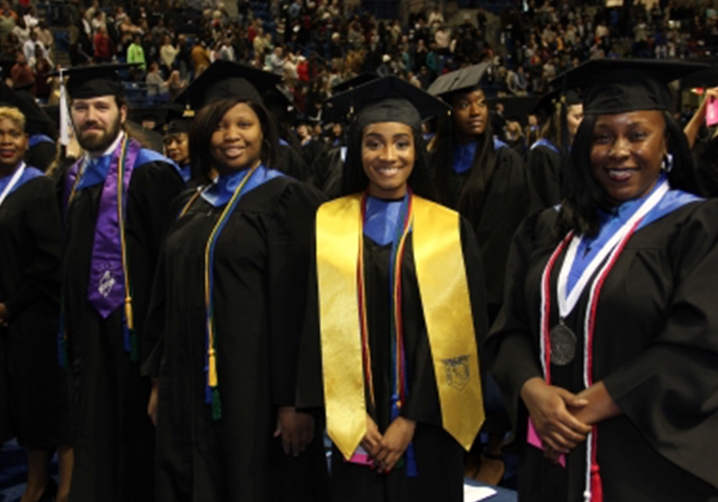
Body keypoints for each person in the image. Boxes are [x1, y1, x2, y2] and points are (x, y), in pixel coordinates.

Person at [486, 59, 718, 502]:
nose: (618, 151)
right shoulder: (547, 229)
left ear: (666, 140)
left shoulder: (699, 227)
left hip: (646, 464)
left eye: (637, 134)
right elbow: (509, 328)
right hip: (550, 455)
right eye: (603, 137)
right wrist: (532, 392)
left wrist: (583, 407)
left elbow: (697, 346)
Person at [297, 76, 486, 502]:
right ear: (357, 150)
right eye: (374, 143)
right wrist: (349, 414)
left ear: (417, 150)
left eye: (401, 143)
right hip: (356, 425)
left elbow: (464, 337)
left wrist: (411, 419)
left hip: (429, 424)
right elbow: (313, 326)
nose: (388, 156)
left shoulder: (449, 230)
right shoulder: (329, 224)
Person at [143, 91, 328, 500]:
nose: (232, 135)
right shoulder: (188, 202)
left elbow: (303, 308)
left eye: (244, 124)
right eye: (221, 125)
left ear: (264, 133)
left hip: (257, 390)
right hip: (187, 385)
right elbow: (164, 297)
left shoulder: (288, 200)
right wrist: (159, 382)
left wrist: (296, 402)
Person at [55, 63, 185, 502]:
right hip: (88, 342)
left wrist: (161, 361)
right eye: (82, 107)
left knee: (138, 449)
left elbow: (171, 272)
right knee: (92, 434)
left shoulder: (154, 174)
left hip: (137, 345)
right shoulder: (70, 182)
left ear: (122, 111)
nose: (91, 116)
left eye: (101, 107)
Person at [427, 61, 539, 485]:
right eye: (463, 104)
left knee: (486, 371)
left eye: (480, 103)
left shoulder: (505, 161)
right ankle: (461, 444)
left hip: (487, 288)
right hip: (438, 283)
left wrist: (468, 278)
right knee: (448, 370)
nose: (475, 111)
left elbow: (503, 229)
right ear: (446, 112)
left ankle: (492, 444)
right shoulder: (432, 160)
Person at [0, 104, 72, 502]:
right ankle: (36, 480)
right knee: (24, 407)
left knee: (48, 402)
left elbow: (50, 260)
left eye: (13, 134)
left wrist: (10, 306)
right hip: (9, 321)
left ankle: (59, 486)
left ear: (26, 142)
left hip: (37, 314)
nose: (6, 141)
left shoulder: (37, 188)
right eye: (0, 134)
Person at [173, 60, 311, 182]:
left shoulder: (286, 177)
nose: (232, 135)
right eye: (218, 127)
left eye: (244, 125)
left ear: (262, 127)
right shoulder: (192, 197)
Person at [527, 89, 584, 209]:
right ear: (560, 119)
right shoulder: (543, 153)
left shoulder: (578, 149)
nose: (583, 122)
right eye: (578, 117)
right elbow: (550, 201)